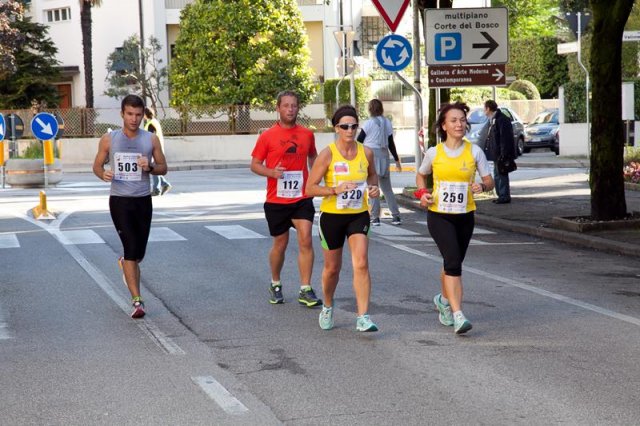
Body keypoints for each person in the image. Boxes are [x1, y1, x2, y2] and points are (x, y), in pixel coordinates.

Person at [415, 101, 494, 334]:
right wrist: (422, 193)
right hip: (439, 215)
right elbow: (420, 176)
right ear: (444, 126)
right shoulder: (434, 153)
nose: (459, 124)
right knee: (452, 262)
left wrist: (482, 186)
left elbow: (489, 180)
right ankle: (459, 315)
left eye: (462, 120)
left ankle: (443, 300)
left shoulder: (474, 151)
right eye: (453, 120)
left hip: (465, 215)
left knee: (453, 262)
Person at [92, 94, 168, 319]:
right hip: (120, 201)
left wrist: (151, 166)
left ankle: (126, 264)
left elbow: (164, 167)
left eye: (138, 114)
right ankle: (137, 301)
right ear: (122, 114)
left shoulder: (150, 140)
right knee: (131, 249)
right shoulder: (109, 139)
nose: (134, 119)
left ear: (143, 115)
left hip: (143, 200)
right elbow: (96, 165)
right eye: (129, 114)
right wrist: (103, 174)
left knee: (138, 252)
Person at [306, 105, 381, 332]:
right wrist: (334, 190)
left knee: (361, 263)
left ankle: (363, 316)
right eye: (345, 126)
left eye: (354, 126)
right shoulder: (328, 154)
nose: (350, 130)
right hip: (332, 217)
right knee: (332, 269)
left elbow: (372, 176)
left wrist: (374, 189)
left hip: (358, 215)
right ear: (336, 128)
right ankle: (328, 305)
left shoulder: (366, 152)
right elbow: (309, 188)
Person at [250, 90, 322, 308]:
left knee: (306, 238)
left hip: (301, 197)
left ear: (298, 108)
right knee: (280, 244)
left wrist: (315, 179)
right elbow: (254, 164)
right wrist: (272, 173)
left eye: (294, 105)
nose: (290, 109)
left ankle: (305, 289)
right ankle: (275, 282)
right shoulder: (267, 136)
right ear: (278, 108)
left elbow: (313, 157)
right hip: (277, 200)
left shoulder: (307, 135)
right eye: (286, 106)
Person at [357, 98, 402, 226]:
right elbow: (391, 142)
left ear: (370, 109)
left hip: (370, 154)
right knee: (387, 188)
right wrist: (397, 160)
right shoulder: (387, 122)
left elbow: (359, 141)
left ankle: (375, 217)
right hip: (384, 155)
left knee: (373, 186)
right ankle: (396, 216)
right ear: (381, 108)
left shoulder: (368, 123)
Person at [483, 100, 515, 204]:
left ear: (488, 108)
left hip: (501, 153)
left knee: (501, 173)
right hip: (497, 153)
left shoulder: (501, 119)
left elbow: (505, 138)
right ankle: (501, 195)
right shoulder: (494, 119)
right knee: (497, 174)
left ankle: (504, 196)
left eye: (485, 108)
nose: (484, 111)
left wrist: (503, 154)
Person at [144, 107, 172, 196]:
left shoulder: (150, 124)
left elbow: (151, 138)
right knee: (155, 168)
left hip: (154, 149)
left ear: (145, 114)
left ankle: (156, 189)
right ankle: (165, 184)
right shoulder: (155, 122)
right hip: (158, 148)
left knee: (153, 169)